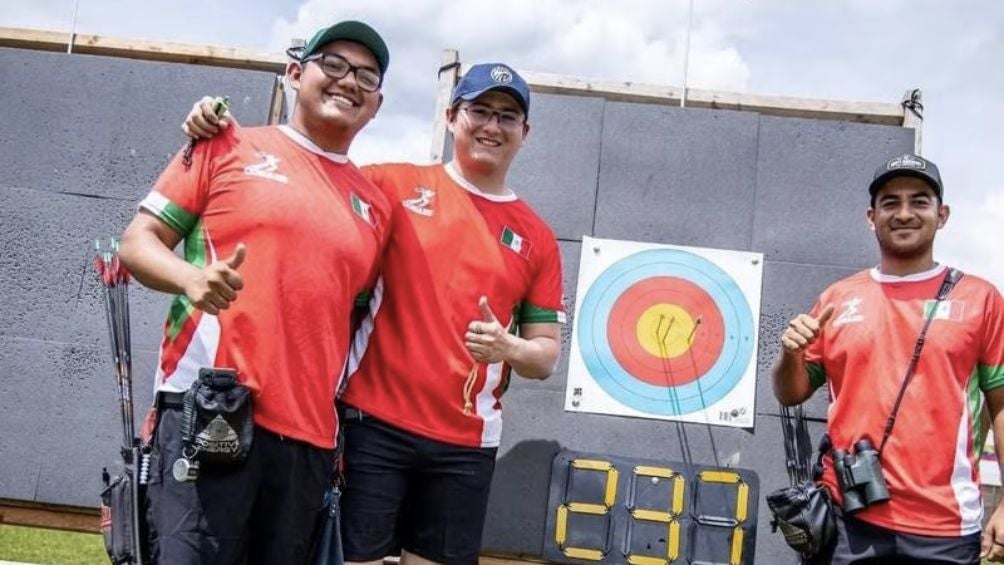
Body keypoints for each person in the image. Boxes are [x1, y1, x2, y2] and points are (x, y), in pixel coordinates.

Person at [183, 62, 565, 565]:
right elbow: (305, 175)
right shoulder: (389, 185)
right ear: (452, 117)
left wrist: (509, 347)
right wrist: (221, 133)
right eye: (480, 111)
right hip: (372, 424)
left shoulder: (537, 238)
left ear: (525, 133)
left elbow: (545, 357)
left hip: (466, 444)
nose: (492, 126)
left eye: (507, 116)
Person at [119, 20, 392, 565]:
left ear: (377, 104)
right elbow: (136, 243)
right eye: (332, 64)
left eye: (366, 76)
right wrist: (191, 279)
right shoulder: (226, 144)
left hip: (309, 441)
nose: (348, 81)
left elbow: (351, 317)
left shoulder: (376, 206)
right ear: (295, 73)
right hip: (209, 412)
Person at [772, 153, 1004, 564]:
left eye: (919, 201)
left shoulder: (981, 299)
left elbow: (1000, 405)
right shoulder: (838, 298)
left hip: (947, 526)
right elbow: (790, 393)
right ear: (871, 216)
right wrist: (790, 353)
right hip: (849, 520)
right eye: (890, 202)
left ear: (942, 215)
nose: (904, 213)